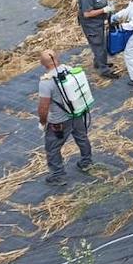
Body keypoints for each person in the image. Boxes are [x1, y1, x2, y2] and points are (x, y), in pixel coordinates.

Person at [38, 50, 93, 186]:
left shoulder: (46, 82)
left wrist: (43, 122)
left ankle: (58, 175)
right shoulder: (71, 70)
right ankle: (86, 162)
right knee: (82, 137)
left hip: (58, 122)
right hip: (77, 112)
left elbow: (43, 107)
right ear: (58, 58)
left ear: (42, 64)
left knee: (53, 147)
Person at [78, 0, 118, 79]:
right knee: (98, 46)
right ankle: (104, 70)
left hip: (99, 22)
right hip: (91, 26)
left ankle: (99, 63)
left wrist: (108, 5)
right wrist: (104, 10)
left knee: (101, 44)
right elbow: (87, 14)